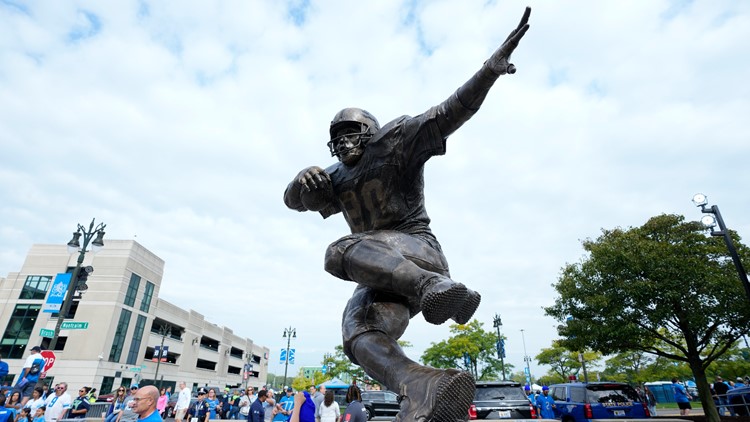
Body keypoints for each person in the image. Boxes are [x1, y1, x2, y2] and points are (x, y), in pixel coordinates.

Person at [282, 8, 531, 422]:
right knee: (359, 330)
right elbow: (293, 200)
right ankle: (422, 387)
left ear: (371, 131)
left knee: (338, 250)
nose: (343, 143)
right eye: (337, 138)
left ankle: (434, 288)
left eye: (351, 133)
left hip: (419, 254)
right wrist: (300, 179)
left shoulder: (395, 143)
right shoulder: (335, 176)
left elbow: (448, 113)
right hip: (383, 272)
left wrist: (488, 71)